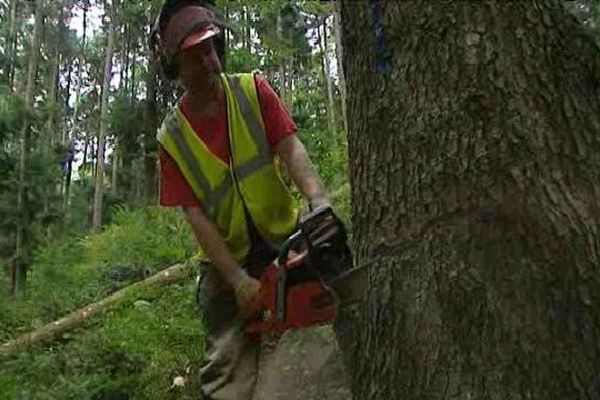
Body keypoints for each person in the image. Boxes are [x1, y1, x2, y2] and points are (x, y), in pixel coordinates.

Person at [150, 1, 332, 398]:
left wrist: (318, 202)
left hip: (283, 234)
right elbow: (194, 215)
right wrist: (236, 279)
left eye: (211, 49)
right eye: (195, 56)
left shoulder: (253, 90)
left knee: (326, 307)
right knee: (227, 362)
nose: (209, 62)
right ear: (175, 67)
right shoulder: (172, 138)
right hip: (224, 258)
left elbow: (291, 149)